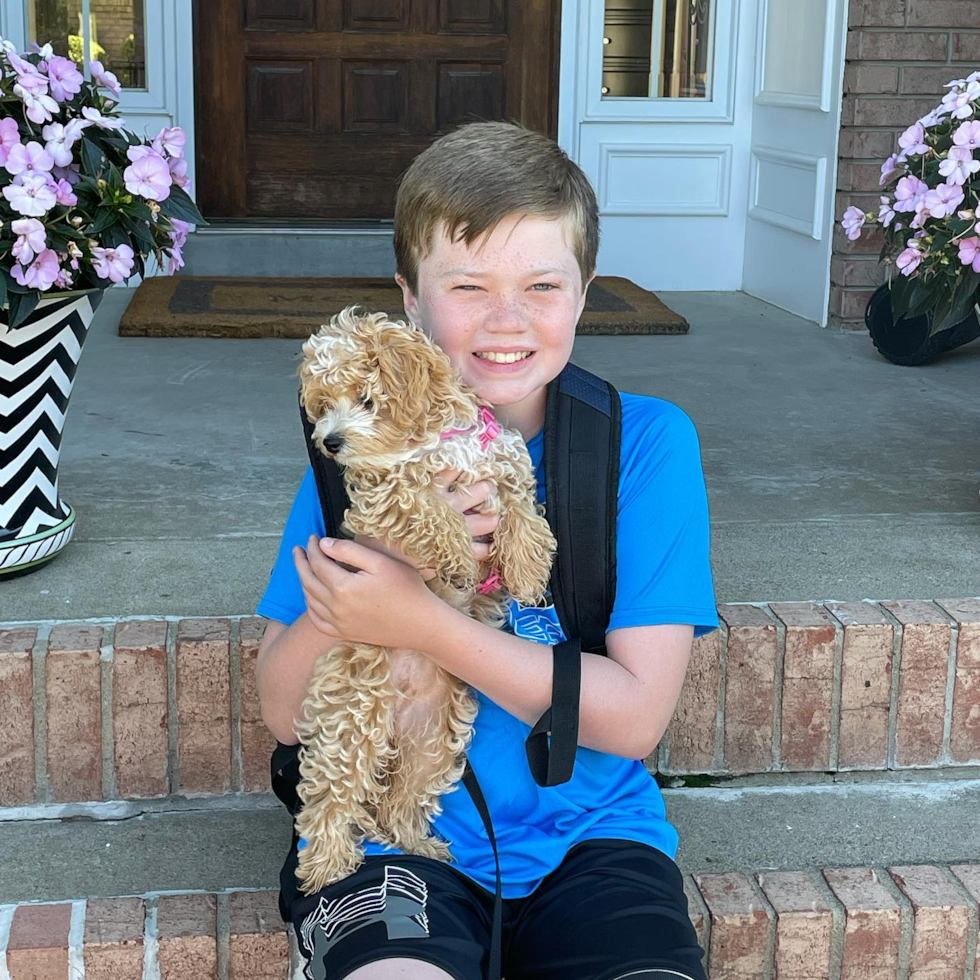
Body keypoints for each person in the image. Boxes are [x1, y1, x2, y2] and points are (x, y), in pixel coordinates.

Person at [255, 120, 719, 980]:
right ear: (410, 302)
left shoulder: (644, 445)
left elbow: (634, 716)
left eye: (543, 284)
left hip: (595, 835)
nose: (508, 321)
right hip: (392, 834)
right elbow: (285, 713)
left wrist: (420, 621)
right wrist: (374, 567)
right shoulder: (360, 451)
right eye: (467, 286)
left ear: (584, 294)